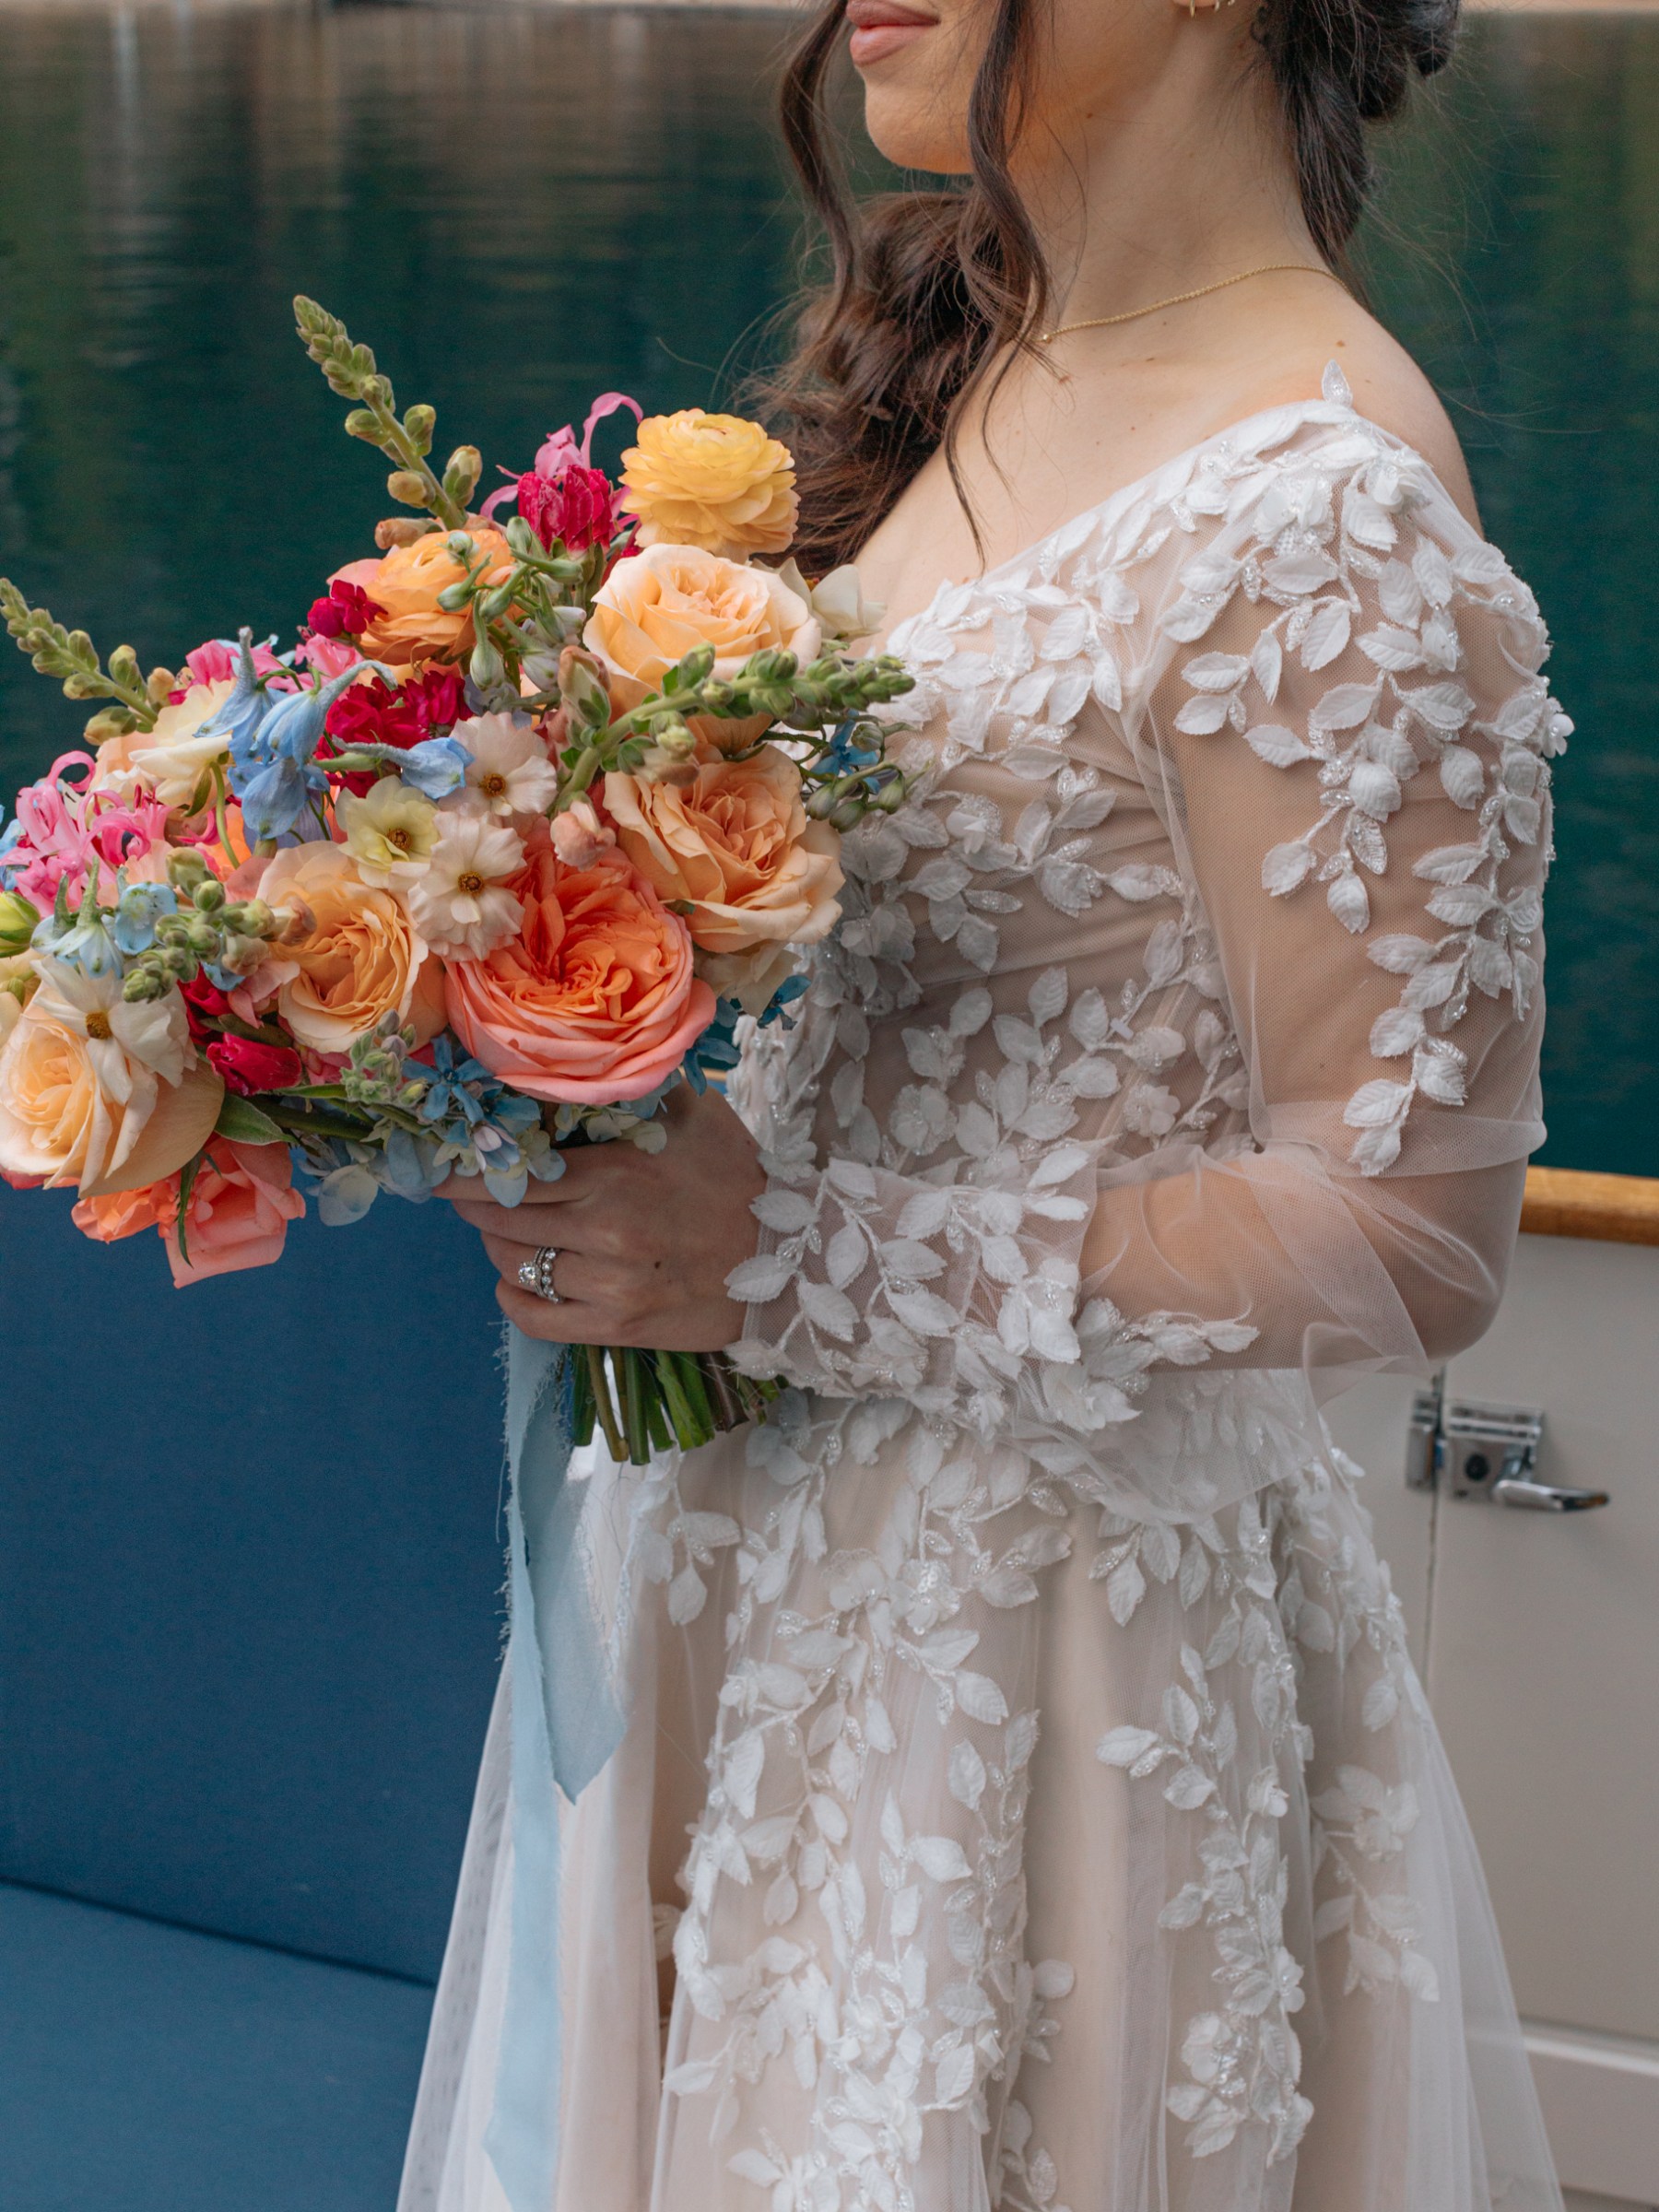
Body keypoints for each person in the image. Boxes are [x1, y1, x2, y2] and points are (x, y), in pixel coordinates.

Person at [401, 0, 1570, 2201]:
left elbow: (1413, 1234)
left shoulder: (1335, 518)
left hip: (1042, 1648)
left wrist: (784, 1256)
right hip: (745, 1555)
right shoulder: (978, 371)